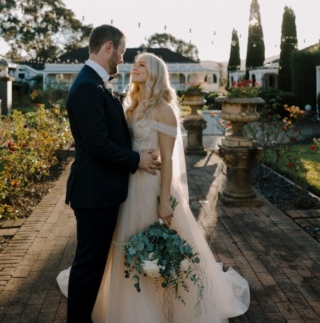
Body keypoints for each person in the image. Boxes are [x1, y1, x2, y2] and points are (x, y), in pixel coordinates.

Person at [58, 51, 250, 323]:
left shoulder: (164, 109)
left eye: (141, 65)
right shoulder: (132, 104)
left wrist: (163, 201)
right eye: (133, 63)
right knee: (124, 244)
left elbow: (168, 159)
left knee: (151, 244)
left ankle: (157, 308)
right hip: (125, 184)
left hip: (149, 187)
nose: (133, 67)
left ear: (156, 73)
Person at [62, 25, 160, 323]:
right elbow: (98, 145)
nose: (123, 57)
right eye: (121, 50)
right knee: (88, 266)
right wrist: (136, 160)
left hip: (101, 191)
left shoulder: (94, 83)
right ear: (108, 47)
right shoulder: (87, 88)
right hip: (94, 194)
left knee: (92, 264)